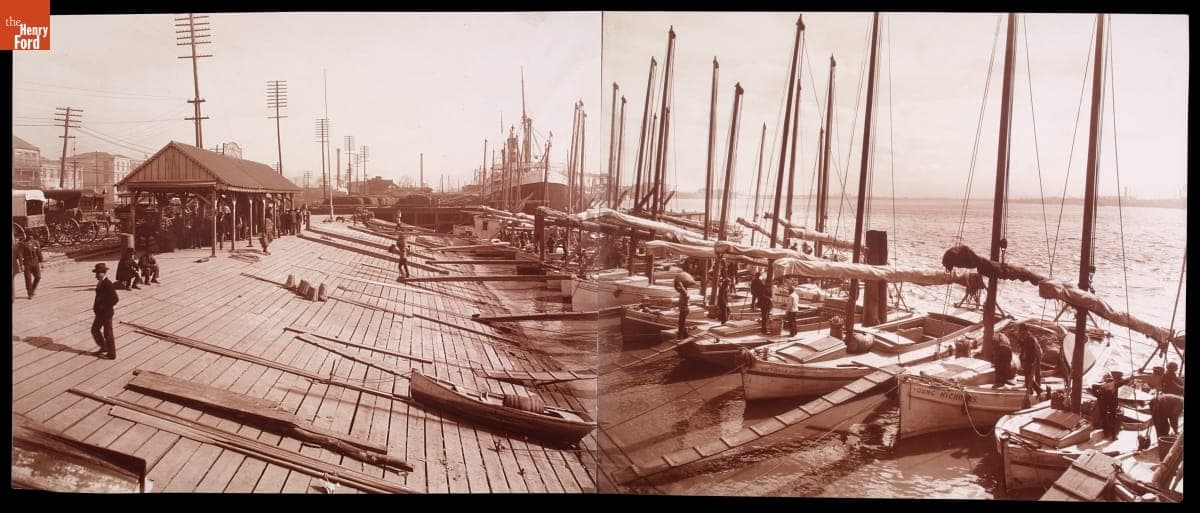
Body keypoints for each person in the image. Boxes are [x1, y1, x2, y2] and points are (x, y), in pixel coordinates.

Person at [91, 263, 119, 360]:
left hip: (106, 313)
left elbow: (115, 299)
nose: (96, 276)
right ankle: (104, 347)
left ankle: (112, 354)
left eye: (98, 273)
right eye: (96, 273)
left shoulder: (108, 283)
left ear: (103, 273)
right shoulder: (100, 282)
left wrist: (103, 306)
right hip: (99, 313)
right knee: (94, 330)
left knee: (108, 333)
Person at [1016, 323, 1043, 396]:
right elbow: (1023, 348)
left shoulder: (1031, 339)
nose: (1021, 333)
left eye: (1022, 332)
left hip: (1034, 358)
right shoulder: (1025, 338)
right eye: (1020, 332)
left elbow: (1034, 351)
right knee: (1028, 375)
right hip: (1029, 358)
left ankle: (1037, 389)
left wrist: (1032, 362)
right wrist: (1021, 342)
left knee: (1030, 374)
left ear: (1025, 331)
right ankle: (1031, 389)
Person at [17, 233, 43, 299]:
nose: (30, 236)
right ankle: (30, 293)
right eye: (29, 235)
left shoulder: (35, 242)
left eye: (31, 235)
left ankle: (33, 289)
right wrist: (21, 265)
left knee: (38, 277)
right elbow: (20, 255)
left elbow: (39, 252)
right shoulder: (22, 244)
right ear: (26, 235)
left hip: (35, 262)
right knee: (28, 279)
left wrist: (41, 261)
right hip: (27, 262)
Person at [674, 271, 695, 340]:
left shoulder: (685, 292)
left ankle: (680, 336)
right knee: (681, 323)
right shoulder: (683, 292)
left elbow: (682, 290)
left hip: (684, 310)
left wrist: (680, 283)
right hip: (683, 309)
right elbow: (678, 289)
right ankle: (683, 334)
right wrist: (678, 284)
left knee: (681, 323)